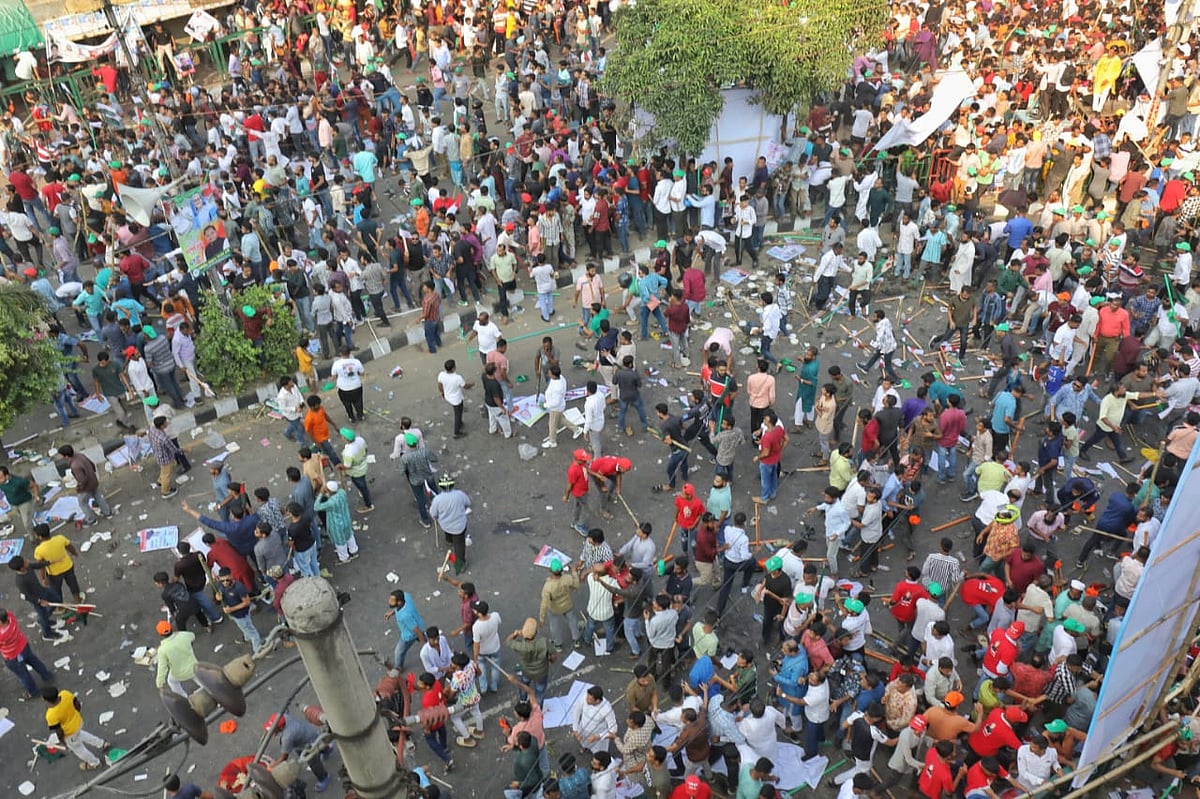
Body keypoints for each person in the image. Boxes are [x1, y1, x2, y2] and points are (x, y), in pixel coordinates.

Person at [43, 685, 109, 770]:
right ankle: (102, 743)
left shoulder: (51, 715)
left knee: (80, 750)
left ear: (46, 700)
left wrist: (63, 742)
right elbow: (77, 705)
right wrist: (75, 715)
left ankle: (95, 763)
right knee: (82, 735)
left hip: (69, 733)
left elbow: (59, 731)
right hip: (78, 722)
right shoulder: (65, 694)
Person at [264, 712, 333, 792]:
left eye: (272, 731)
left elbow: (284, 757)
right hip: (310, 732)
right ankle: (327, 750)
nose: (271, 733)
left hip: (307, 745)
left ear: (279, 728)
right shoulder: (285, 717)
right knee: (320, 742)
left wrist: (272, 766)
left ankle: (324, 778)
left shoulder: (287, 737)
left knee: (314, 763)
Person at [0, 607, 55, 698]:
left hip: (13, 656)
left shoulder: (2, 635)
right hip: (23, 646)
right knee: (34, 661)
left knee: (23, 674)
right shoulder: (11, 618)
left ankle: (33, 691)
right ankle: (47, 676)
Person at [429, 478, 472, 572]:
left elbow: (433, 513)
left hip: (446, 525)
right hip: (459, 526)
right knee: (459, 545)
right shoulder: (459, 495)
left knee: (448, 533)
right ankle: (460, 566)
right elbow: (468, 502)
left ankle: (449, 541)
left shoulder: (437, 499)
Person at [154, 619, 199, 697]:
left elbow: (162, 668)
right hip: (194, 667)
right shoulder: (183, 635)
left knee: (171, 681)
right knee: (202, 681)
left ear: (160, 635)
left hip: (179, 674)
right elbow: (192, 636)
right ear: (171, 628)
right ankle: (211, 692)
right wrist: (179, 634)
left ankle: (184, 697)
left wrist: (159, 684)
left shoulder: (162, 650)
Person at [386, 588, 426, 669]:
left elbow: (416, 630)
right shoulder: (406, 596)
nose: (389, 601)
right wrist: (392, 613)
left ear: (399, 602)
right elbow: (398, 607)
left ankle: (398, 667)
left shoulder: (405, 616)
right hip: (419, 624)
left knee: (398, 652)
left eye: (392, 600)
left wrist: (424, 646)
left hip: (409, 636)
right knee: (424, 639)